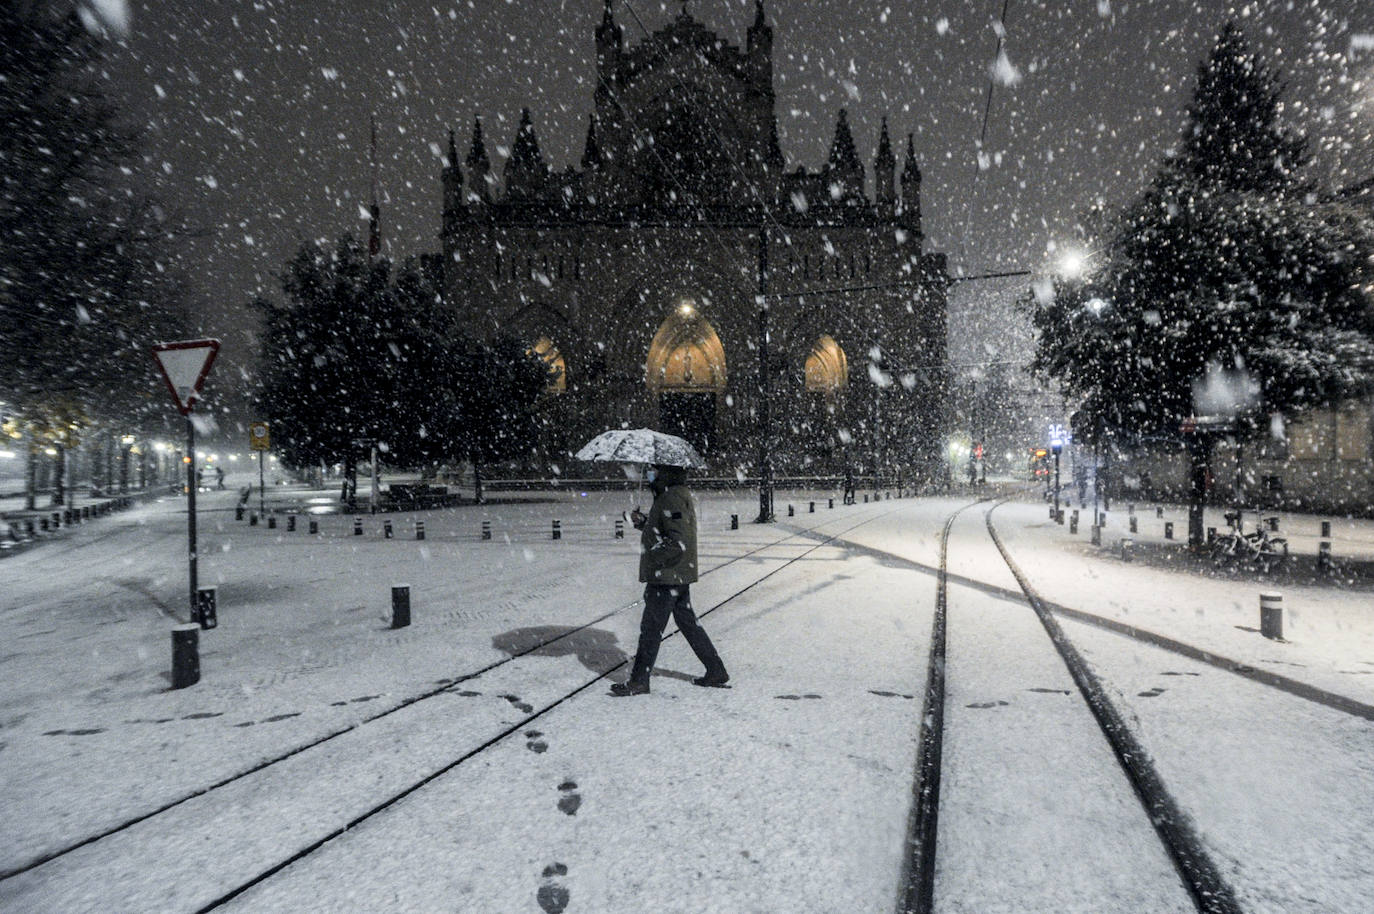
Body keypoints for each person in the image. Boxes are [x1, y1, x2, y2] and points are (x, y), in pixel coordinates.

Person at [610, 463, 728, 696]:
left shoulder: (671, 498)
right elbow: (666, 530)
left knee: (651, 628)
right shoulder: (670, 495)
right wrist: (643, 523)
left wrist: (653, 556)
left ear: (666, 473)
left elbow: (677, 541)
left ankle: (639, 681)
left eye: (654, 470)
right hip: (676, 573)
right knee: (687, 623)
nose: (650, 474)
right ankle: (716, 670)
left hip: (667, 575)